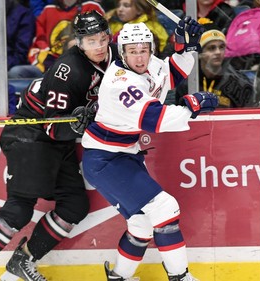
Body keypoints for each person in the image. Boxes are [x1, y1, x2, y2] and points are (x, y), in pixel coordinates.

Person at [0, 10, 119, 281]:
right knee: (19, 210)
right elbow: (53, 126)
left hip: (58, 142)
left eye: (101, 39)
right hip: (31, 134)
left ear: (108, 37)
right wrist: (78, 123)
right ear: (79, 42)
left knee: (74, 205)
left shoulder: (113, 56)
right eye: (90, 41)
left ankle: (23, 260)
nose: (97, 46)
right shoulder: (68, 71)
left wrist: (180, 49)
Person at [81, 21, 218, 281]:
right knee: (166, 208)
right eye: (132, 51)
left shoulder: (149, 62)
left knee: (142, 223)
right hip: (104, 160)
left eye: (144, 50)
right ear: (122, 52)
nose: (139, 57)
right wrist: (192, 106)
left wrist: (185, 48)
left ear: (150, 49)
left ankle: (119, 276)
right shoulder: (119, 83)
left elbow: (171, 72)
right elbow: (154, 119)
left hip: (125, 154)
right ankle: (180, 277)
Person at [8, 0, 105, 78]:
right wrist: (52, 65)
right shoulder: (48, 11)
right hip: (50, 64)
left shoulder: (92, 8)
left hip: (82, 66)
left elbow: (100, 40)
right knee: (16, 72)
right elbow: (39, 43)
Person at [175, 28, 255, 107]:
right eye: (211, 48)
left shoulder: (239, 84)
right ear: (200, 54)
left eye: (222, 47)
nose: (218, 52)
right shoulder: (186, 83)